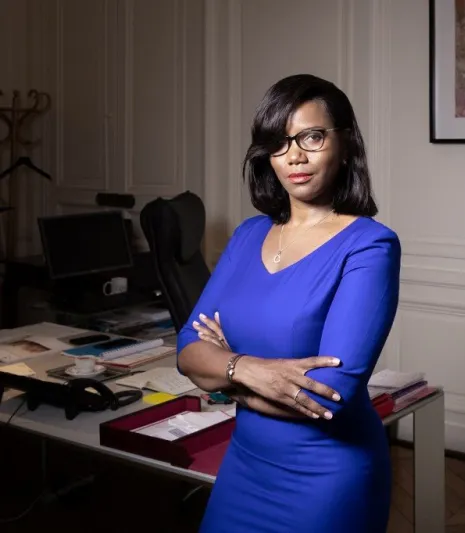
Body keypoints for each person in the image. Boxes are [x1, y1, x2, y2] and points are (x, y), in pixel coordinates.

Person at [176, 73, 400, 533]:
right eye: (279, 141)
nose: (294, 155)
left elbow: (329, 397)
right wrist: (252, 370)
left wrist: (224, 376)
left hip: (327, 478)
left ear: (344, 143)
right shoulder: (247, 235)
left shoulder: (370, 246)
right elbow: (186, 347)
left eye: (312, 136)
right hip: (244, 465)